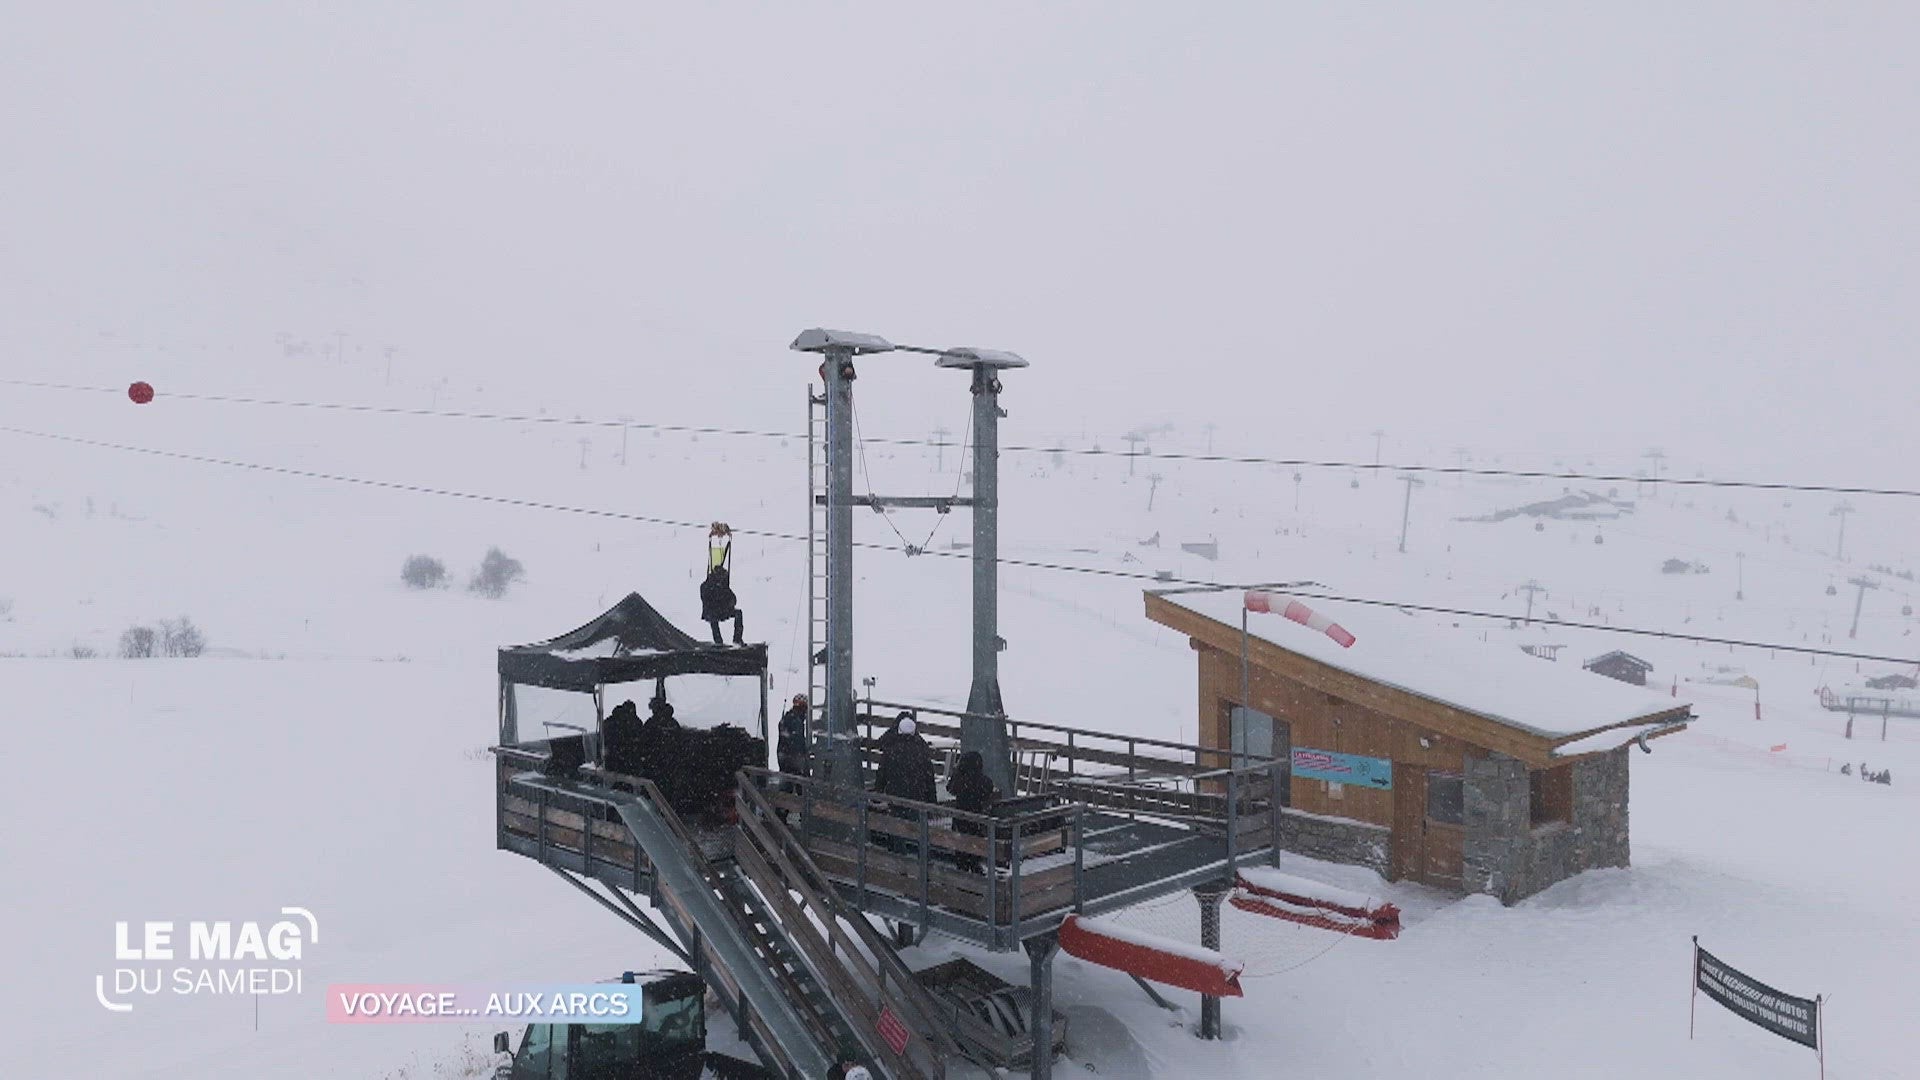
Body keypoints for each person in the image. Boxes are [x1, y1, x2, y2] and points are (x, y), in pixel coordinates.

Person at [946, 750, 999, 873]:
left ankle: (964, 875)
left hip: (960, 820)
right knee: (975, 851)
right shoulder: (982, 781)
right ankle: (975, 873)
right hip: (976, 819)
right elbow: (988, 788)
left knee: (961, 851)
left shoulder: (959, 781)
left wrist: (957, 771)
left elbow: (950, 788)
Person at [699, 564, 745, 646]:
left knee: (738, 613)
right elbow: (707, 602)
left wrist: (730, 603)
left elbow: (733, 597)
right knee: (713, 618)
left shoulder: (723, 585)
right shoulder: (706, 586)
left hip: (723, 610)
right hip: (712, 612)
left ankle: (737, 639)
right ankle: (718, 642)